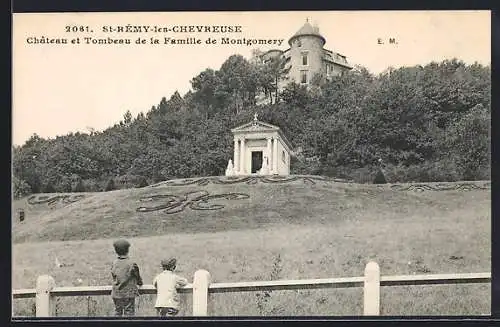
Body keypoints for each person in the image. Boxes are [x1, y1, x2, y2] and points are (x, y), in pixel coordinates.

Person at [110, 239, 143, 317]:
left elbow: (114, 275)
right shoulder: (132, 263)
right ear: (128, 250)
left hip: (116, 293)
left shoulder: (114, 263)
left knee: (117, 313)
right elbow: (137, 276)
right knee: (129, 314)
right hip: (128, 293)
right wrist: (140, 282)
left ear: (116, 251)